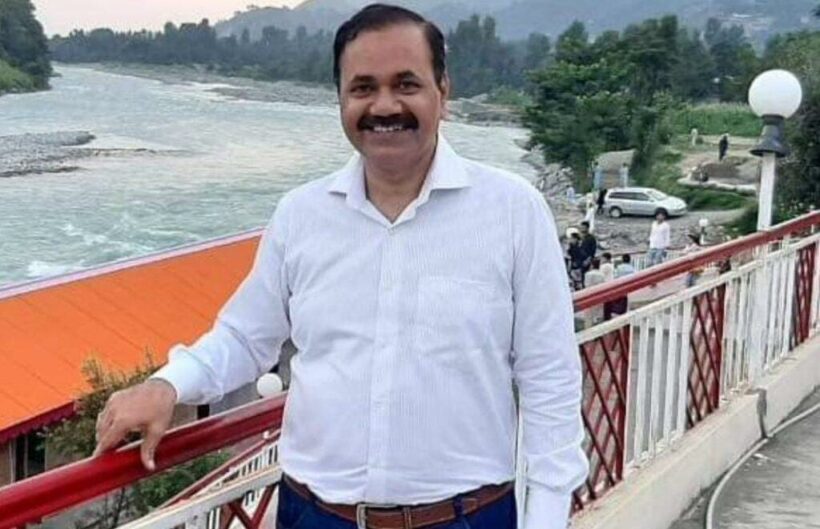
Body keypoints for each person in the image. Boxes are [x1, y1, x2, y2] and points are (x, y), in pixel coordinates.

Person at [92, 6, 588, 529]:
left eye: (406, 84)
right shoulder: (301, 215)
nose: (385, 106)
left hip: (465, 516)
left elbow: (549, 376)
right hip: (314, 514)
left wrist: (547, 515)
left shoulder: (512, 211)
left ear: (444, 91)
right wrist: (167, 385)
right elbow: (245, 337)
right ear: (341, 100)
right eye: (363, 88)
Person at [604, 254, 635, 320]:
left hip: (621, 287)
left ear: (622, 260)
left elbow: (615, 277)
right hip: (629, 287)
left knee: (621, 302)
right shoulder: (632, 268)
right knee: (628, 302)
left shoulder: (619, 267)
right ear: (629, 260)